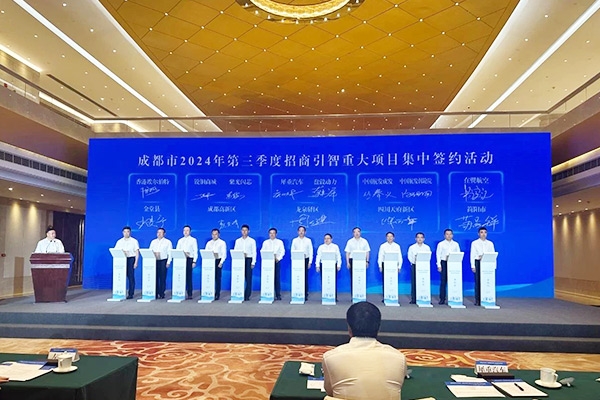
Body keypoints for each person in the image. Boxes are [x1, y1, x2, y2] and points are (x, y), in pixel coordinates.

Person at [322, 301, 407, 400]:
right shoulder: (399, 358)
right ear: (379, 328)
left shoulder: (331, 358)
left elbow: (330, 392)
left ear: (349, 328)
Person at [470, 226, 496, 306]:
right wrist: (473, 265)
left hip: (488, 263)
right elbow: (472, 255)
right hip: (478, 263)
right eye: (481, 232)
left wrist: (494, 266)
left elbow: (493, 255)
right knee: (478, 281)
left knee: (487, 281)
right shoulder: (474, 243)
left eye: (485, 232)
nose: (483, 234)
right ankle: (477, 300)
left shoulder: (490, 243)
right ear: (478, 234)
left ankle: (487, 298)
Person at [114, 226, 140, 299]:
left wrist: (136, 262)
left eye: (127, 232)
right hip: (121, 260)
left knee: (130, 276)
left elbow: (137, 252)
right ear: (122, 232)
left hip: (130, 259)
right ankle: (120, 292)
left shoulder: (134, 241)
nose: (126, 233)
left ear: (130, 232)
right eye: (124, 232)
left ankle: (131, 293)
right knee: (121, 276)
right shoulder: (119, 241)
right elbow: (115, 251)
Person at [435, 228, 460, 305]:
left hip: (453, 263)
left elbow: (458, 254)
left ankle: (453, 297)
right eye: (447, 234)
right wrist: (439, 265)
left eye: (450, 234)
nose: (449, 236)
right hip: (444, 263)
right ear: (444, 235)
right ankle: (442, 299)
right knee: (443, 282)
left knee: (453, 281)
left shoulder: (456, 244)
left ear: (452, 235)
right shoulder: (441, 244)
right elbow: (438, 255)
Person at [377, 232, 402, 303]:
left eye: (391, 236)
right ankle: (386, 296)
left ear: (394, 238)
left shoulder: (397, 246)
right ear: (386, 238)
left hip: (394, 265)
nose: (390, 238)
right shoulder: (383, 246)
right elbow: (380, 256)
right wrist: (380, 266)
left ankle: (394, 296)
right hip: (385, 265)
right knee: (385, 281)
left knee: (393, 280)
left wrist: (399, 266)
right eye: (388, 236)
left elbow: (399, 257)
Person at [316, 233, 342, 301]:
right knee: (324, 281)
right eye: (325, 238)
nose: (326, 240)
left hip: (333, 265)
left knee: (333, 281)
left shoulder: (335, 246)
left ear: (331, 239)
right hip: (323, 265)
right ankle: (325, 296)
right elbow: (318, 256)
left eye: (328, 238)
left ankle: (334, 297)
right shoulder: (321, 247)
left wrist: (339, 265)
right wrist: (317, 265)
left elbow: (338, 256)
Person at [261, 227, 285, 300]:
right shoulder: (265, 242)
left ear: (276, 234)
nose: (272, 235)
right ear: (269, 234)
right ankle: (267, 293)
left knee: (276, 278)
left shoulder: (279, 242)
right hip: (267, 262)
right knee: (267, 277)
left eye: (273, 233)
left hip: (276, 261)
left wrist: (278, 258)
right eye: (270, 233)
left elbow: (282, 251)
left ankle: (278, 295)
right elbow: (262, 251)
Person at [344, 227, 370, 294]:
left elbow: (367, 252)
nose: (357, 233)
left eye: (358, 231)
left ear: (360, 233)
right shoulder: (350, 241)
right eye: (355, 232)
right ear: (353, 233)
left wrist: (367, 261)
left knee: (361, 277)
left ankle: (362, 293)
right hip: (352, 260)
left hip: (362, 261)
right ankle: (354, 294)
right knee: (353, 277)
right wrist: (347, 262)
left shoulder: (364, 241)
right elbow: (347, 253)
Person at [407, 232, 431, 304]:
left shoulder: (427, 247)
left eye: (421, 237)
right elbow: (410, 257)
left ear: (424, 239)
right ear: (415, 239)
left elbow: (429, 257)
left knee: (424, 281)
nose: (420, 239)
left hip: (424, 266)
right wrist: (415, 262)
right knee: (414, 282)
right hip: (415, 265)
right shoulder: (412, 247)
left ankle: (424, 297)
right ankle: (414, 299)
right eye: (418, 237)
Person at [234, 224, 256, 301]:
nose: (244, 232)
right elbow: (235, 251)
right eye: (243, 230)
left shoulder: (252, 241)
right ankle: (239, 293)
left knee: (248, 278)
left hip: (248, 259)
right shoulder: (237, 241)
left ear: (248, 231)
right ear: (241, 231)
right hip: (240, 260)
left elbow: (254, 252)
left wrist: (253, 262)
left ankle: (247, 295)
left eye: (246, 230)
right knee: (239, 277)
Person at [149, 228, 172, 299]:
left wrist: (168, 262)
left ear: (164, 234)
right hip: (155, 261)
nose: (159, 234)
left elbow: (170, 253)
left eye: (161, 232)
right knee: (155, 277)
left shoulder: (168, 242)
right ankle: (155, 293)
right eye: (158, 232)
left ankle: (162, 293)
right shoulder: (153, 242)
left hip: (163, 261)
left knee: (162, 277)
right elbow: (150, 251)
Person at [291, 226, 313, 301]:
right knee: (297, 276)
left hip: (305, 259)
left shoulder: (308, 240)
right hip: (297, 260)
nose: (301, 232)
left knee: (305, 277)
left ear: (305, 232)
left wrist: (310, 262)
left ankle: (305, 293)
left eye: (302, 230)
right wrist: (293, 260)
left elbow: (310, 251)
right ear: (297, 232)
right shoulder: (294, 240)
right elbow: (292, 251)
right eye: (300, 230)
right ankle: (297, 292)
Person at [176, 225, 198, 300]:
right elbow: (177, 250)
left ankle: (189, 294)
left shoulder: (193, 240)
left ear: (190, 232)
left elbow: (195, 251)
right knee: (180, 276)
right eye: (184, 230)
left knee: (189, 277)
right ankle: (180, 292)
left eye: (187, 230)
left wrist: (194, 261)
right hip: (181, 260)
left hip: (189, 260)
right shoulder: (180, 240)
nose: (185, 232)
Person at [205, 228, 227, 300]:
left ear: (219, 235)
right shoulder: (209, 243)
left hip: (218, 261)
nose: (214, 236)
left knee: (217, 278)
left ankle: (217, 293)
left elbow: (224, 254)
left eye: (216, 234)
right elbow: (206, 252)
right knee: (209, 277)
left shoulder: (222, 243)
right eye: (213, 234)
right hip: (210, 261)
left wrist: (221, 262)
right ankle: (209, 292)